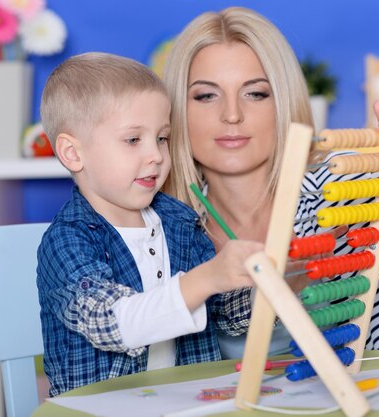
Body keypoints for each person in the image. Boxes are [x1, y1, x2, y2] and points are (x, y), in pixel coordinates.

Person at [162, 7, 379, 358]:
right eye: (206, 95)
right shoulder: (165, 232)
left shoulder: (355, 191)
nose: (231, 114)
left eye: (256, 93)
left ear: (283, 102)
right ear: (175, 111)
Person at [36, 52, 263, 396]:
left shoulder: (180, 222)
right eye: (133, 140)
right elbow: (112, 322)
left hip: (184, 403)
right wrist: (207, 277)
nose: (156, 155)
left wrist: (277, 283)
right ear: (73, 153)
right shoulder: (67, 241)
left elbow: (224, 315)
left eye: (161, 138)